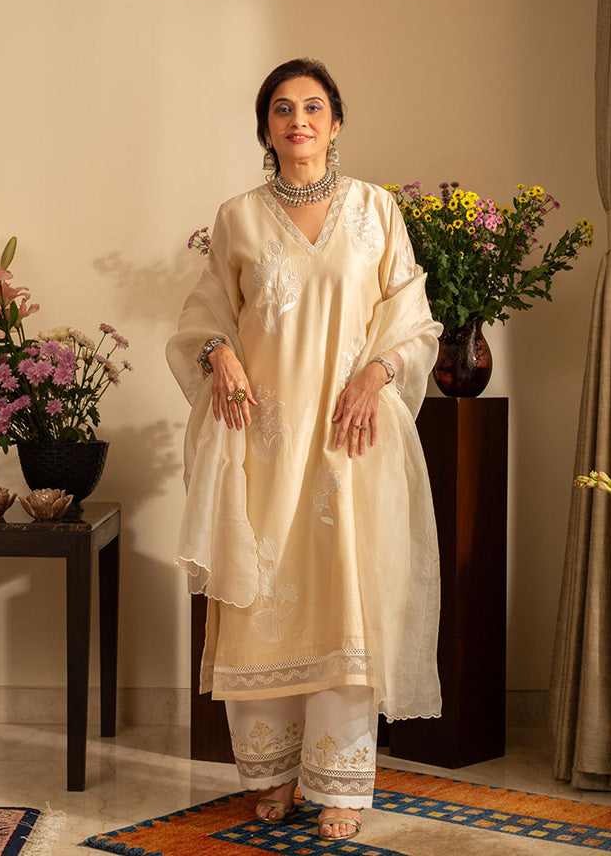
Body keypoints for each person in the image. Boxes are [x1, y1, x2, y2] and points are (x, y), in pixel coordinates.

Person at [166, 58, 443, 841]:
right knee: (262, 604)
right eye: (283, 109)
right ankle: (274, 775)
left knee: (343, 605)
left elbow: (412, 318)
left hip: (348, 440)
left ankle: (341, 786)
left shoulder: (376, 211)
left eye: (313, 107)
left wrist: (377, 375)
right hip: (263, 442)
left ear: (336, 121)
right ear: (266, 127)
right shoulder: (238, 218)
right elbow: (203, 313)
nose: (299, 121)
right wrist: (219, 350)